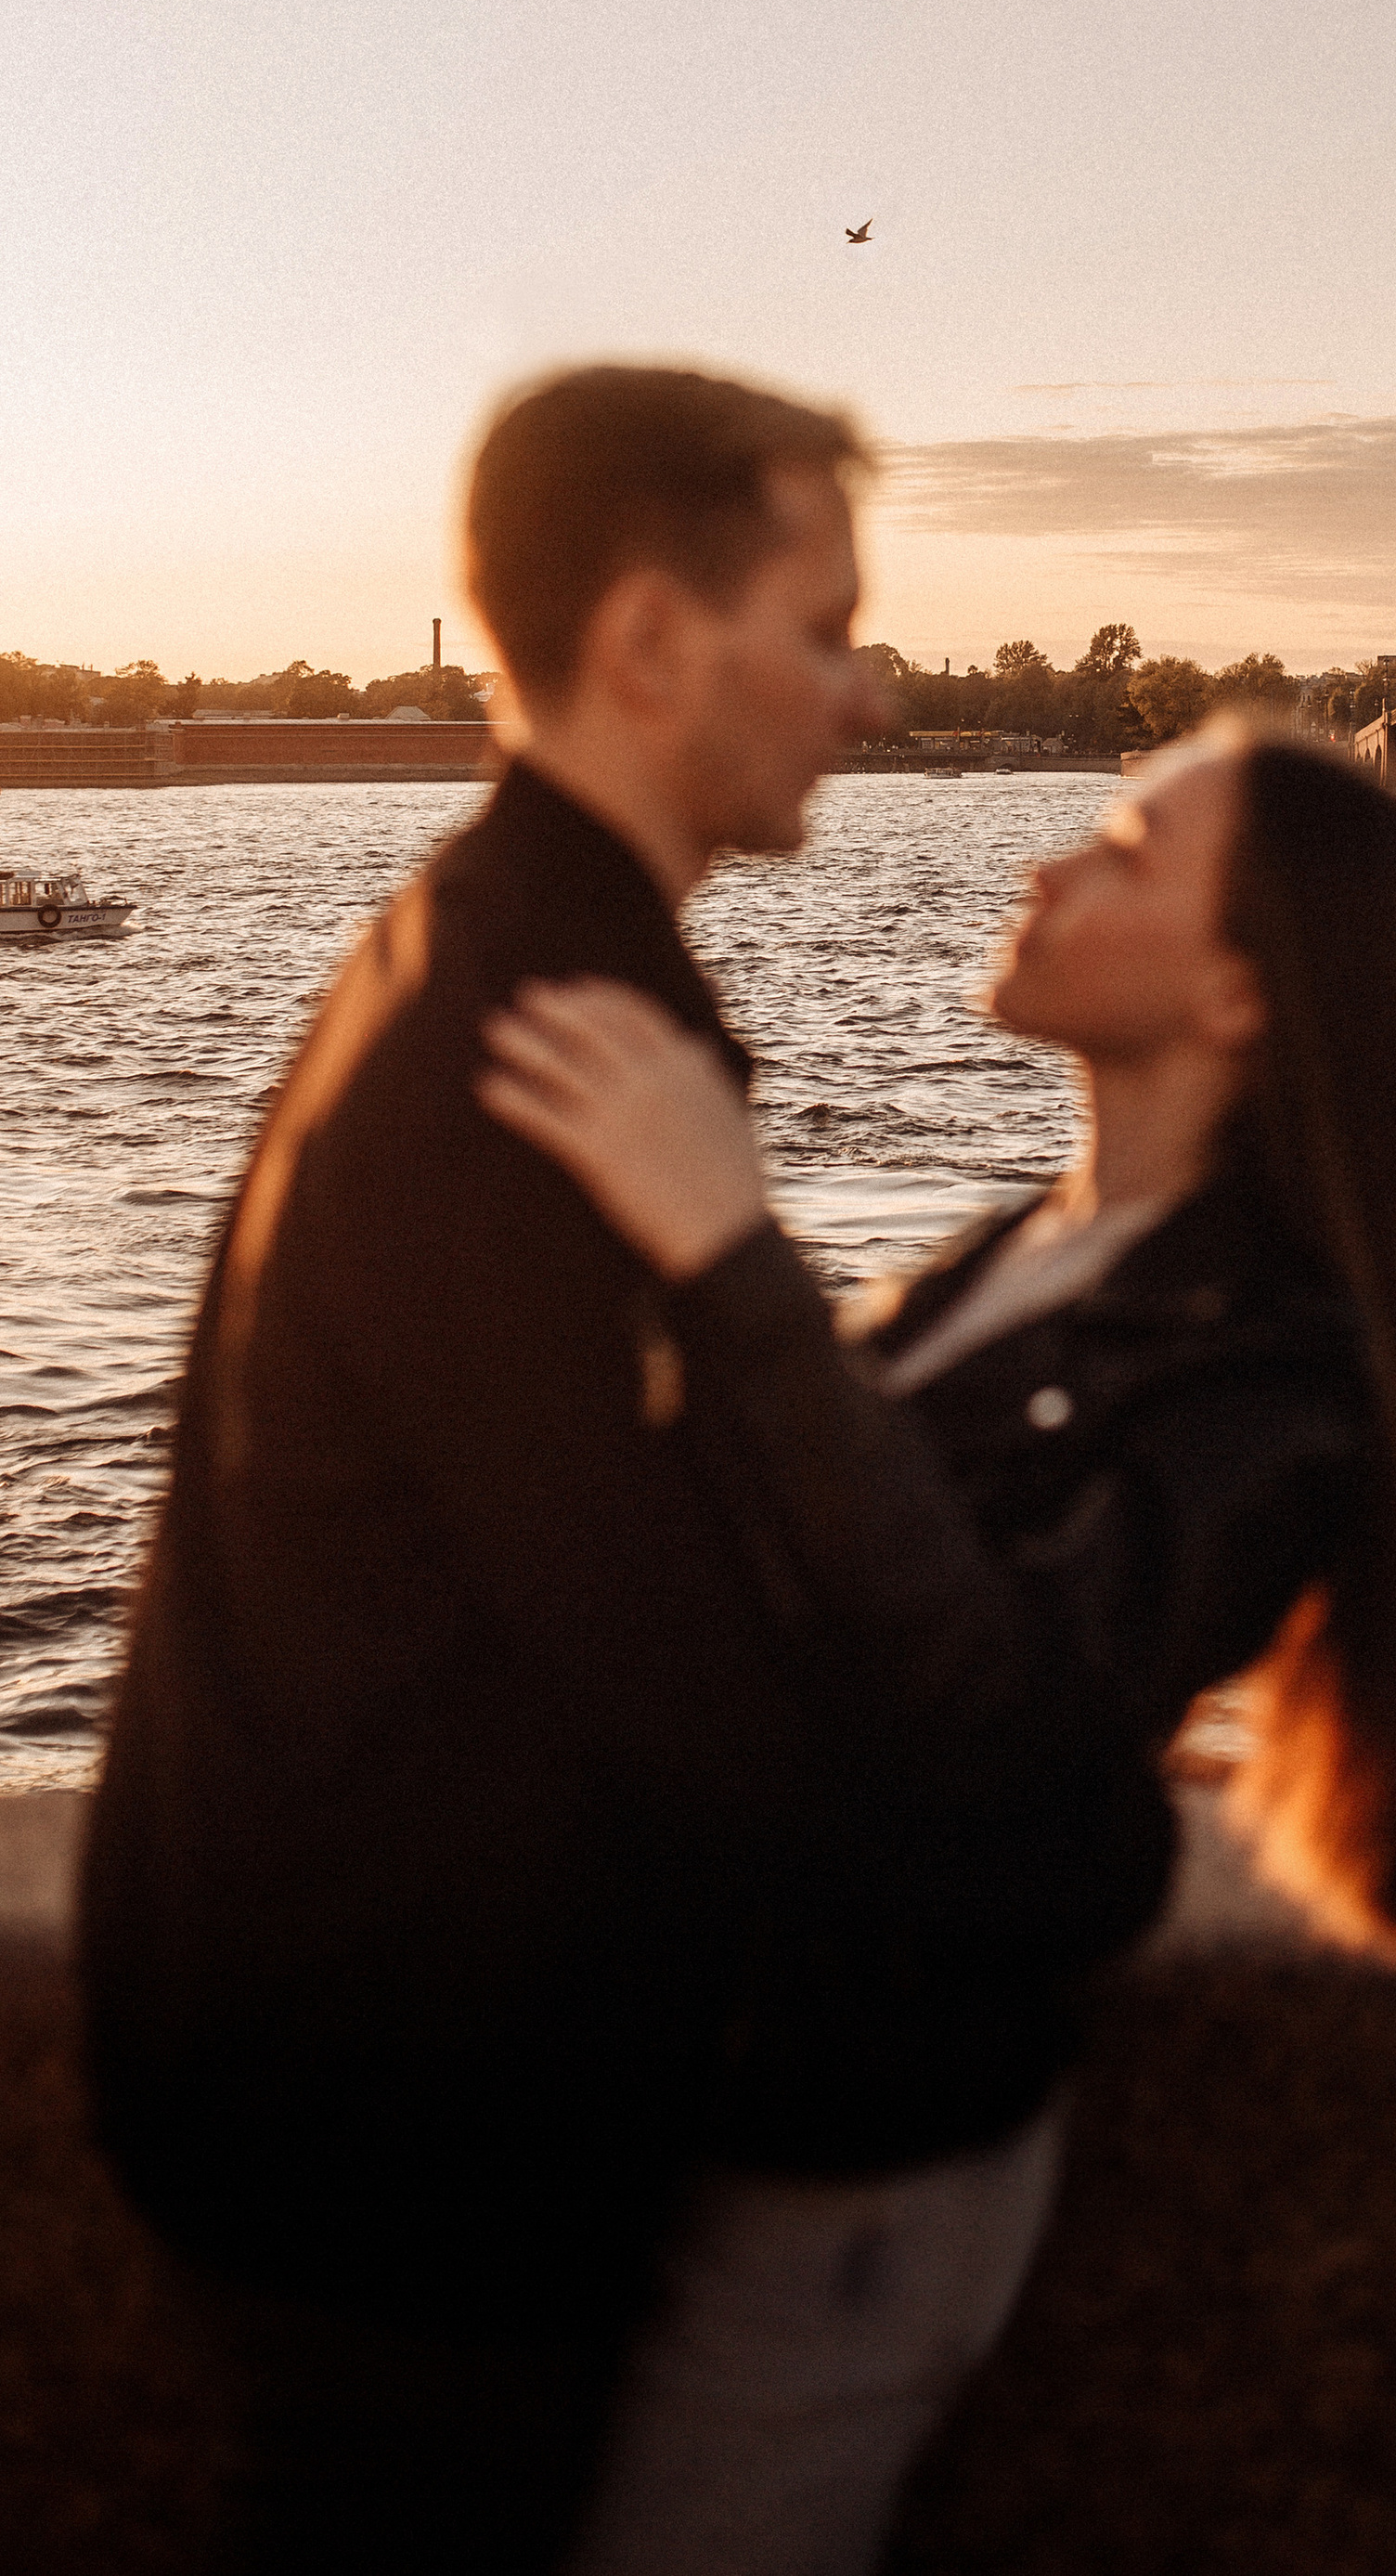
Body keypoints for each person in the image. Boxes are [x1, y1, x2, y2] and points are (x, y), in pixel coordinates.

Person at [78, 361, 1008, 2570]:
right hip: (391, 2105)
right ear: (652, 643)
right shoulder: (555, 1026)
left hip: (322, 2044)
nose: (867, 697)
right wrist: (1031, 1829)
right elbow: (650, 1645)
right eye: (825, 627)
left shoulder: (491, 940)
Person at [472, 718, 1396, 2576]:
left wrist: (727, 1255)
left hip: (853, 2151)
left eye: (1117, 850)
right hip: (717, 2067)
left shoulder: (1279, 1367)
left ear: (1241, 996)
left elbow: (1007, 1713)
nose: (1045, 868)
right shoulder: (1045, 1245)